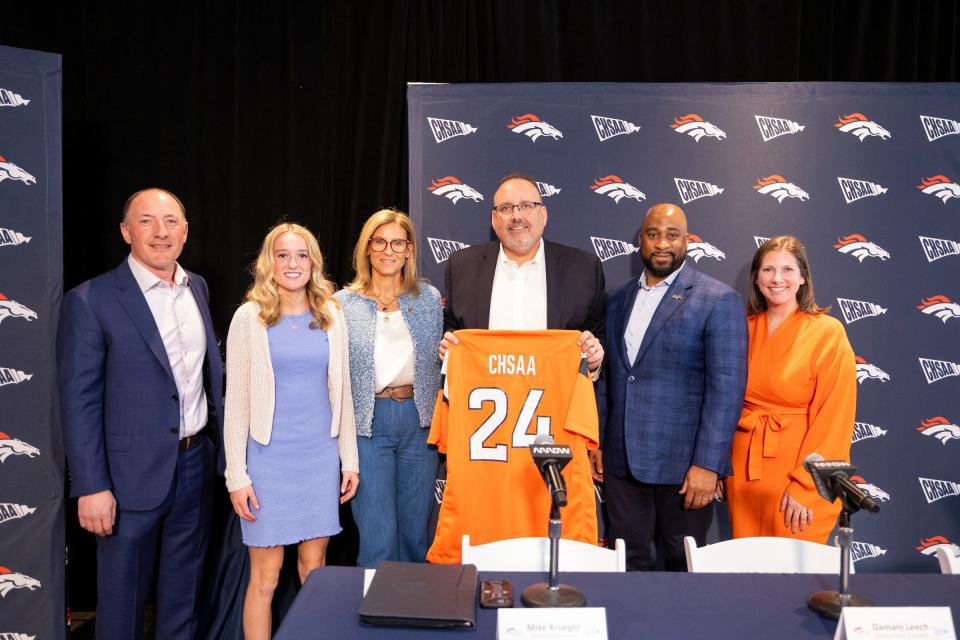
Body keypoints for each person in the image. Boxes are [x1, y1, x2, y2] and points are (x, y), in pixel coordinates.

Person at [57, 188, 224, 639]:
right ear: (125, 232)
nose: (160, 232)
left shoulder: (198, 289)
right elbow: (80, 401)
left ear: (185, 232)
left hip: (194, 467)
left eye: (170, 221)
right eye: (146, 221)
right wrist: (92, 485)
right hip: (126, 479)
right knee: (121, 610)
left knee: (183, 602)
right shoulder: (91, 300)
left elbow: (207, 379)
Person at [592, 203, 748, 571]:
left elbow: (726, 391)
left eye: (672, 234)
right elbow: (606, 377)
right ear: (640, 241)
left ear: (687, 241)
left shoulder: (718, 300)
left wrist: (708, 465)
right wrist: (598, 441)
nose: (662, 243)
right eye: (653, 234)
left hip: (684, 470)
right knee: (626, 565)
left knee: (682, 568)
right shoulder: (616, 300)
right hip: (620, 464)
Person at [224, 223, 358, 639]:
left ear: (313, 263)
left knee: (313, 574)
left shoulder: (331, 314)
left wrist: (349, 460)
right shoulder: (249, 318)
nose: (292, 264)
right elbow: (236, 405)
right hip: (268, 463)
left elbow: (344, 394)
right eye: (283, 255)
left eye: (301, 255)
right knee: (265, 580)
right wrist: (237, 475)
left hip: (319, 460)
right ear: (269, 262)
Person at [726, 236, 856, 542]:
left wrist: (806, 485)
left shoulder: (827, 332)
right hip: (744, 476)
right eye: (768, 270)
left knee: (794, 578)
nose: (777, 278)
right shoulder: (741, 328)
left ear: (802, 278)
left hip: (797, 479)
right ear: (756, 279)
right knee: (747, 573)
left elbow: (835, 420)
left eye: (787, 269)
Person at [334, 209, 442, 567]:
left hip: (419, 423)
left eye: (397, 242)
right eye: (379, 241)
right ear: (367, 248)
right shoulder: (342, 304)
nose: (388, 250)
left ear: (409, 249)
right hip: (368, 425)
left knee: (415, 538)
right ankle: (376, 618)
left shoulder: (428, 299)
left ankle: (413, 618)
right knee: (378, 539)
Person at [439, 172, 606, 370]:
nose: (516, 216)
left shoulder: (584, 269)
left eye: (526, 206)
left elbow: (597, 338)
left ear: (543, 214)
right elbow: (451, 329)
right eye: (506, 208)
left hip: (559, 397)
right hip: (482, 396)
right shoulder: (462, 266)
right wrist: (448, 348)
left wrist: (594, 360)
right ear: (494, 219)